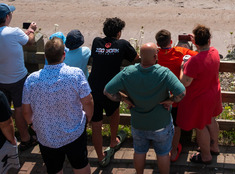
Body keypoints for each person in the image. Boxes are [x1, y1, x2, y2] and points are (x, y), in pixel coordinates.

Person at [104, 43, 185, 174]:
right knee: (163, 153)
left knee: (140, 151)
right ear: (155, 56)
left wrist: (125, 99)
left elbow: (108, 91)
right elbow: (181, 93)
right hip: (161, 124)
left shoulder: (128, 72)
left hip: (138, 123)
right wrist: (170, 101)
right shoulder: (164, 73)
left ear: (141, 56)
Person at [22, 37, 93, 174]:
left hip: (46, 134)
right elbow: (88, 101)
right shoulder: (75, 74)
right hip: (74, 130)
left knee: (54, 168)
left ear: (45, 56)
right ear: (64, 55)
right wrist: (88, 117)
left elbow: (26, 110)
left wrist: (32, 123)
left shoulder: (32, 79)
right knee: (80, 164)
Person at [0, 3, 37, 151]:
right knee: (19, 109)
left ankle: (8, 139)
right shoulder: (14, 32)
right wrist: (31, 30)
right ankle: (25, 138)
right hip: (18, 78)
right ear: (7, 17)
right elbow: (30, 42)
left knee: (4, 110)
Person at [87, 17, 138, 166]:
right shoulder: (122, 44)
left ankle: (100, 156)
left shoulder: (97, 42)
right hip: (111, 88)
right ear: (119, 33)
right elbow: (136, 58)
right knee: (114, 113)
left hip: (94, 88)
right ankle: (113, 141)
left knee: (96, 125)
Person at [176, 24, 223, 165]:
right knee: (211, 120)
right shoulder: (214, 52)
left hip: (199, 98)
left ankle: (206, 156)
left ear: (195, 42)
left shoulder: (193, 61)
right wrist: (197, 40)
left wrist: (182, 68)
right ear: (209, 40)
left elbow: (185, 83)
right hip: (213, 94)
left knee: (200, 126)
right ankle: (214, 146)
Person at [154, 28, 197, 161]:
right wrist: (194, 42)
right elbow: (197, 55)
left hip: (160, 96)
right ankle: (173, 150)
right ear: (171, 41)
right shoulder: (180, 52)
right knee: (176, 125)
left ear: (157, 44)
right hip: (175, 97)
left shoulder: (154, 55)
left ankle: (161, 147)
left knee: (161, 123)